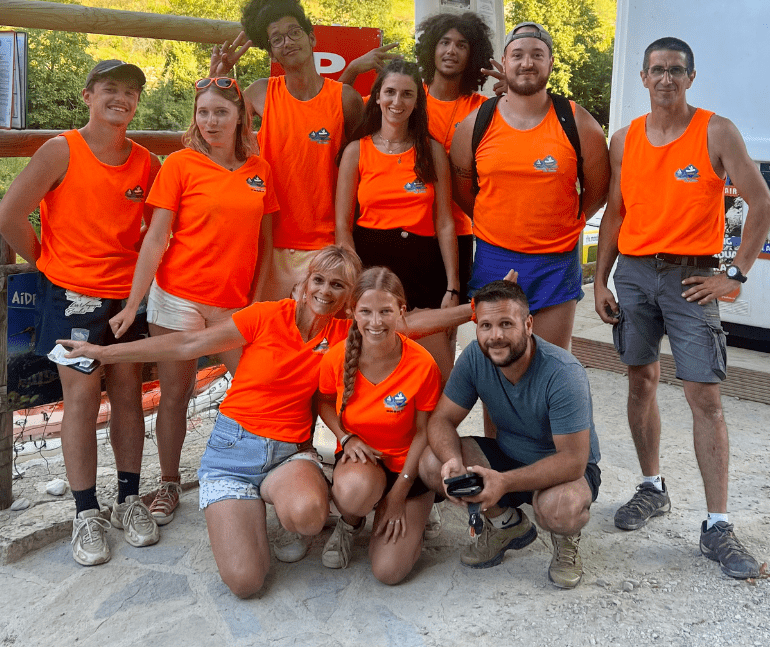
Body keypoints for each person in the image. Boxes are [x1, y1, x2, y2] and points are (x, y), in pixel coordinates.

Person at [60, 247, 480, 598]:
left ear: (349, 297)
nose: (325, 291)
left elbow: (410, 324)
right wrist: (103, 353)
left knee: (309, 515)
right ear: (305, 282)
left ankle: (280, 504)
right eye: (319, 280)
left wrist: (476, 310)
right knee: (246, 582)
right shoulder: (265, 316)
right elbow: (190, 343)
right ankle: (245, 514)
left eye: (338, 285)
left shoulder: (345, 333)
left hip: (287, 455)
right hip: (233, 450)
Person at [594, 37, 770, 579]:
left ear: (691, 77)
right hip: (634, 274)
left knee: (705, 398)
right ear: (643, 78)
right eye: (657, 70)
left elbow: (761, 200)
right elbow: (615, 213)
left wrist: (734, 274)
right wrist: (599, 280)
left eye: (676, 70)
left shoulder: (715, 131)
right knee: (640, 381)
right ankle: (652, 488)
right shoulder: (624, 140)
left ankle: (718, 525)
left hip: (692, 277)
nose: (666, 78)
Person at [0, 59, 162, 566]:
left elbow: (158, 232)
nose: (122, 98)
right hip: (72, 297)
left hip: (128, 300)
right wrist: (46, 263)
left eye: (131, 91)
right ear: (88, 95)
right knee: (82, 401)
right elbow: (9, 213)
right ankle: (86, 511)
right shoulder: (60, 150)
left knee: (130, 397)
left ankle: (128, 499)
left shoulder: (147, 162)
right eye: (111, 88)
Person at [108, 76, 278, 525]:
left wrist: (255, 302)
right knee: (175, 395)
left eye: (221, 112)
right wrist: (133, 303)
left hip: (234, 304)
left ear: (240, 116)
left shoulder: (259, 169)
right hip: (178, 297)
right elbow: (156, 238)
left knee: (257, 387)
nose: (211, 121)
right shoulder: (180, 164)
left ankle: (261, 472)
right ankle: (169, 483)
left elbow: (266, 244)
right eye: (203, 112)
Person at [419, 279, 601, 589]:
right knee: (432, 463)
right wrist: (452, 461)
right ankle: (506, 525)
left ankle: (565, 538)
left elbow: (573, 460)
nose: (495, 336)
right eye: (486, 325)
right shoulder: (476, 357)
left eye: (506, 324)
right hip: (508, 456)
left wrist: (503, 482)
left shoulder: (563, 372)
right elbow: (441, 420)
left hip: (563, 470)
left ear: (528, 325)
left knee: (559, 509)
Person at [450, 22, 610, 352]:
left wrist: (564, 222)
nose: (527, 63)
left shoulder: (578, 122)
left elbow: (598, 189)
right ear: (504, 62)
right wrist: (495, 220)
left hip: (556, 262)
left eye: (537, 55)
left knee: (549, 365)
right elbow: (463, 189)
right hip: (494, 257)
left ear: (550, 63)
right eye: (518, 55)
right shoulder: (476, 123)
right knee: (497, 365)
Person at [210, 0, 364, 300]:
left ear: (312, 38)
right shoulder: (260, 93)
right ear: (271, 52)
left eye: (294, 32)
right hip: (269, 242)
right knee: (264, 327)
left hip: (325, 245)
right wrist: (217, 78)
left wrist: (347, 240)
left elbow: (364, 168)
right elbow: (213, 133)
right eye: (277, 39)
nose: (288, 42)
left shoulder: (346, 99)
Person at [317, 267, 441, 584]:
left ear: (401, 311)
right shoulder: (336, 358)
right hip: (363, 461)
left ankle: (418, 511)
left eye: (385, 311)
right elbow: (324, 402)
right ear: (352, 312)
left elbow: (425, 431)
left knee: (388, 571)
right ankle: (350, 522)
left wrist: (399, 494)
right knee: (353, 492)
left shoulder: (422, 363)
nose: (375, 322)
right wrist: (346, 437)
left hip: (408, 465)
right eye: (366, 312)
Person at [335, 60, 459, 317]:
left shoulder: (433, 152)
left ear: (417, 102)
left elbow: (445, 223)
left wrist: (453, 285)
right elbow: (342, 227)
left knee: (427, 343)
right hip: (369, 267)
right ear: (377, 96)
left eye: (407, 94)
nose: (397, 101)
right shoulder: (356, 151)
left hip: (422, 266)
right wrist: (354, 280)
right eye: (390, 92)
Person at [415, 11, 498, 304]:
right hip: (408, 226)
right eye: (445, 42)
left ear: (473, 55)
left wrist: (514, 94)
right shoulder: (409, 97)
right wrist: (351, 73)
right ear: (431, 48)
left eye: (461, 45)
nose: (451, 50)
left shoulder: (485, 109)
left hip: (459, 230)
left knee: (447, 320)